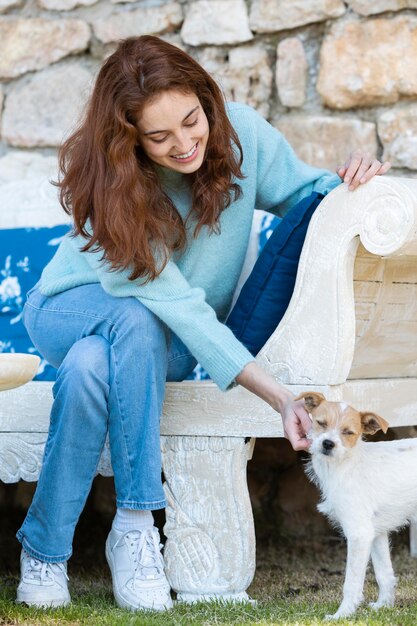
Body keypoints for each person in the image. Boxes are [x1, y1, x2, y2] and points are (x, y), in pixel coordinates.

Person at [15, 35, 391, 611]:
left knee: (94, 367)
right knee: (134, 317)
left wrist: (352, 182)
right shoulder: (118, 189)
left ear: (205, 99)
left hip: (151, 343)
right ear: (130, 141)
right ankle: (137, 527)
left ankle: (43, 552)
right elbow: (180, 306)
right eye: (160, 138)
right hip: (68, 307)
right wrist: (278, 395)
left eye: (192, 122)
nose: (186, 144)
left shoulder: (241, 135)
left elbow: (307, 192)